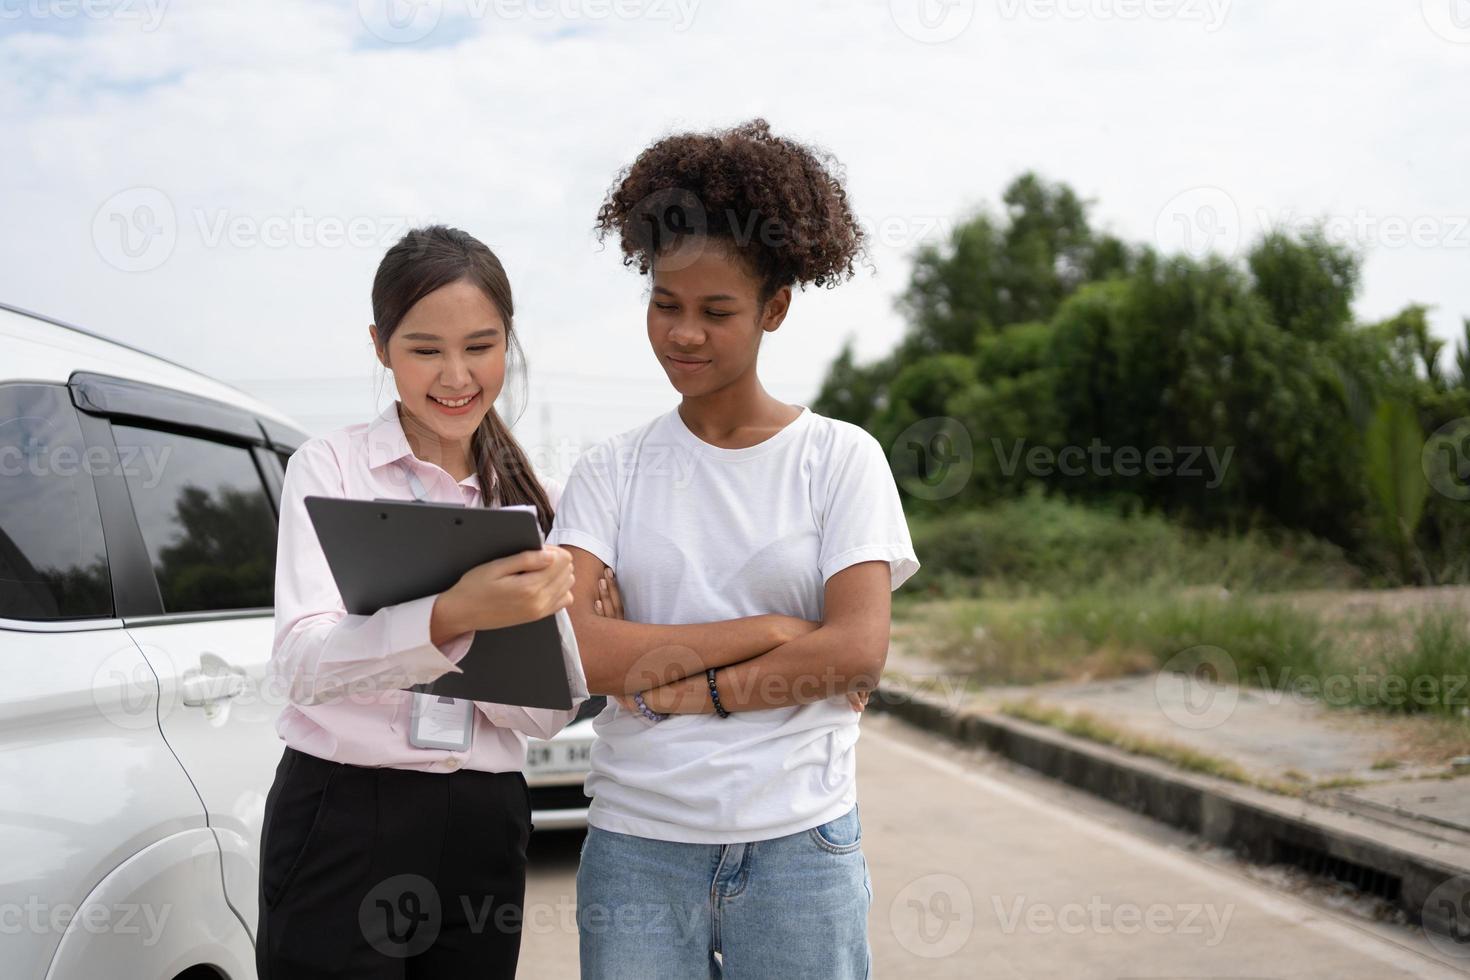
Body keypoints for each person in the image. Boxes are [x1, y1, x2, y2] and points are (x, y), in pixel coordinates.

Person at [549, 119, 920, 979]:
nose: (684, 334)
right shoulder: (609, 470)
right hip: (638, 846)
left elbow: (858, 652)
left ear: (775, 309)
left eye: (717, 312)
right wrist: (780, 631)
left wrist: (686, 694)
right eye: (665, 305)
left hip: (800, 844)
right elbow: (582, 652)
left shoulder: (841, 458)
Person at [256, 224, 588, 979]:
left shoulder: (536, 501)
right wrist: (453, 615)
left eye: (480, 345)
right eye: (424, 349)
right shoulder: (333, 466)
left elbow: (547, 715)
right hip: (343, 813)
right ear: (380, 345)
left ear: (509, 340)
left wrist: (518, 635)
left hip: (484, 817)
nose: (456, 375)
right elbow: (301, 667)